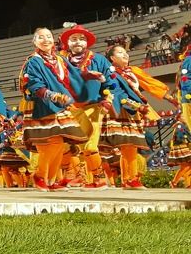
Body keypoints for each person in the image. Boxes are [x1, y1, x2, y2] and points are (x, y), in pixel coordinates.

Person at [19, 28, 88, 192]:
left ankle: (49, 180)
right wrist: (53, 95)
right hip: (41, 105)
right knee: (47, 144)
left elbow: (74, 78)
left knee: (58, 143)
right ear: (34, 42)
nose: (45, 40)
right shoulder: (33, 62)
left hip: (59, 106)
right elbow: (34, 84)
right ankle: (40, 177)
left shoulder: (60, 60)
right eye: (41, 37)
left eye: (48, 36)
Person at [103, 44, 176, 189]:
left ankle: (130, 179)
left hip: (134, 111)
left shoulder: (133, 71)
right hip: (117, 111)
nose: (125, 55)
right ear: (112, 58)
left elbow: (151, 84)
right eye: (120, 52)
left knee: (131, 146)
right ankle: (95, 179)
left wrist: (172, 99)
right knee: (108, 149)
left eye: (125, 52)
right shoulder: (109, 73)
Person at [58, 24, 113, 189]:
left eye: (81, 39)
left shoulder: (98, 59)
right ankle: (77, 177)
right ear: (67, 43)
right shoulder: (61, 61)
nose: (77, 42)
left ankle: (99, 178)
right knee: (68, 146)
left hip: (93, 107)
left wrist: (107, 98)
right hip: (70, 108)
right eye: (73, 39)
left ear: (87, 42)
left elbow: (111, 82)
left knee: (89, 145)